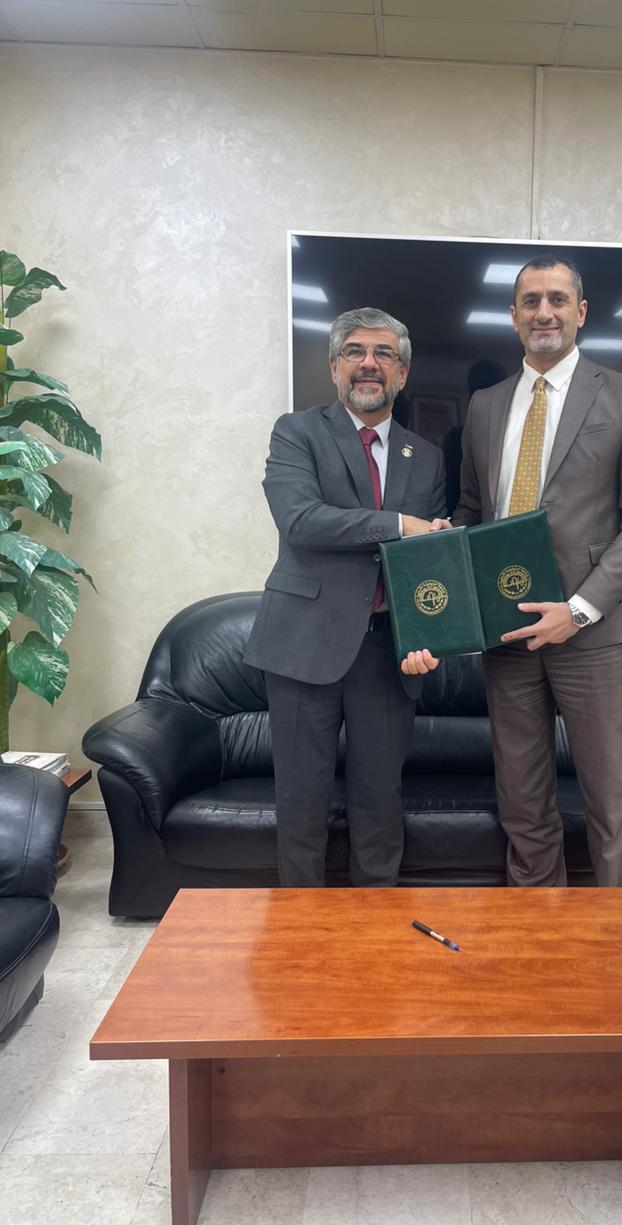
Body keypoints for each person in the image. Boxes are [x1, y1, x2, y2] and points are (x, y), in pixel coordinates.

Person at [450, 255, 622, 888]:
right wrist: (443, 556)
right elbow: (472, 511)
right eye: (530, 301)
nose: (543, 312)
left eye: (556, 299)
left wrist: (576, 611)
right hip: (509, 632)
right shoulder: (486, 405)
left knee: (608, 805)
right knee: (522, 801)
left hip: (595, 633)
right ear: (513, 316)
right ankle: (537, 929)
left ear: (581, 312)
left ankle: (611, 933)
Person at [244, 307, 448, 887]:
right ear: (335, 368)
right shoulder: (296, 432)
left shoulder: (427, 455)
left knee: (380, 804)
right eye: (355, 351)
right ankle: (301, 928)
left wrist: (429, 636)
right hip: (302, 644)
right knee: (302, 804)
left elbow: (429, 560)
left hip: (388, 652)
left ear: (402, 374)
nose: (369, 364)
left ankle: (375, 930)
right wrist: (400, 524)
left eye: (384, 354)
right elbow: (302, 520)